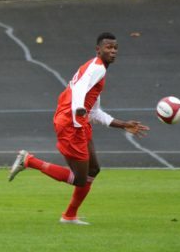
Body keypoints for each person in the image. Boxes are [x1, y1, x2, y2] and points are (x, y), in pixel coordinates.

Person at [9, 32, 149, 225]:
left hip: (77, 121)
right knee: (80, 179)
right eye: (108, 47)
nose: (113, 51)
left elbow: (95, 112)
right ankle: (29, 161)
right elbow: (79, 90)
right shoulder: (97, 68)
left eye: (115, 47)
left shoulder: (96, 70)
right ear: (98, 50)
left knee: (94, 169)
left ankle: (69, 216)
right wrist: (78, 111)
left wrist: (123, 124)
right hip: (71, 123)